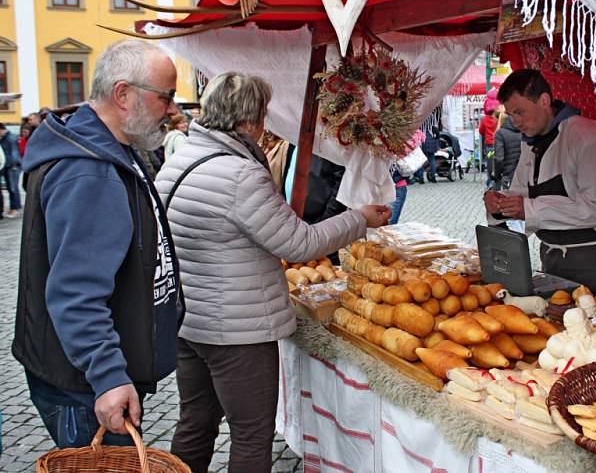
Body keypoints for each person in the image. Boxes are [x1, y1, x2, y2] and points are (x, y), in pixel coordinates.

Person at [155, 72, 390, 473]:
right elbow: (297, 244)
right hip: (238, 330)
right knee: (250, 435)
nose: (265, 125)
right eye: (262, 116)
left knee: (195, 423)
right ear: (248, 120)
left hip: (189, 321)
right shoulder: (240, 174)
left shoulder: (177, 161)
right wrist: (359, 219)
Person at [12, 40, 184, 448]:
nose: (173, 110)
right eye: (166, 96)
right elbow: (76, 291)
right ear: (123, 94)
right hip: (82, 385)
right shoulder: (89, 173)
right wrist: (106, 375)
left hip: (84, 373)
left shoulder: (109, 150)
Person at [483, 69, 596, 297]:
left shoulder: (588, 137)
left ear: (544, 101)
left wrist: (528, 208)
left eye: (520, 112)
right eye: (511, 115)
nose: (515, 122)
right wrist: (499, 204)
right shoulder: (531, 145)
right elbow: (522, 191)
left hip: (595, 264)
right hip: (552, 261)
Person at [492, 107, 521, 191]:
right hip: (525, 174)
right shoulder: (522, 129)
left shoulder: (500, 133)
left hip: (509, 175)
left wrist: (497, 175)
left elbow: (499, 158)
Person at [479, 89, 500, 187]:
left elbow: (481, 131)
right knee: (499, 162)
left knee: (490, 163)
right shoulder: (501, 118)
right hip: (499, 143)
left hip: (489, 144)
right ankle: (498, 179)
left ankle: (489, 181)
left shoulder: (485, 119)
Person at [0, 123, 22, 218]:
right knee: (10, 188)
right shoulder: (4, 138)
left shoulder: (11, 138)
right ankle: (13, 208)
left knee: (13, 188)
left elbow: (14, 152)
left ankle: (15, 209)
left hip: (12, 166)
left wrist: (14, 164)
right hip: (7, 165)